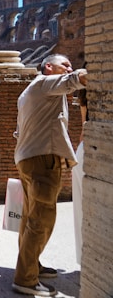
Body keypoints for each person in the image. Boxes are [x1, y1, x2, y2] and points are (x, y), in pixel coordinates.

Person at [11, 54, 87, 297]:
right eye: (64, 64)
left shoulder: (29, 92)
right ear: (48, 67)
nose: (69, 67)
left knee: (30, 218)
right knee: (41, 220)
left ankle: (32, 266)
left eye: (70, 64)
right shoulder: (44, 83)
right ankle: (26, 279)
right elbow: (76, 79)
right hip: (42, 158)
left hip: (28, 158)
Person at [73, 83, 88, 265]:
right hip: (88, 150)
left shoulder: (84, 93)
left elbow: (83, 129)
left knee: (81, 209)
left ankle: (84, 257)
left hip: (83, 151)